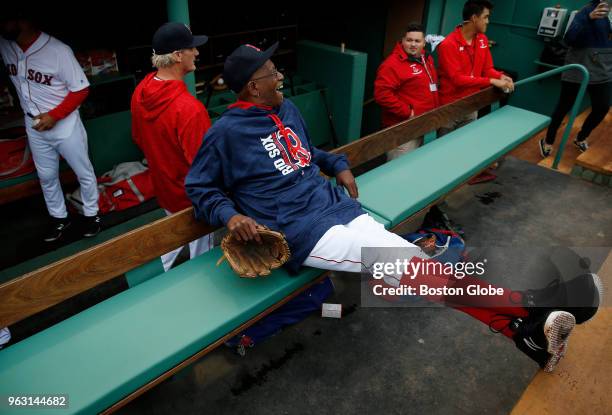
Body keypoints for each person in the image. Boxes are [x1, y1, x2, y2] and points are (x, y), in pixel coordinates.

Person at [185, 43, 601, 373]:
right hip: (302, 231)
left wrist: (339, 164)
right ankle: (529, 306)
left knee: (419, 267)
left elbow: (306, 153)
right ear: (253, 88)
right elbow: (199, 187)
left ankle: (528, 334)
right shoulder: (226, 133)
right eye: (271, 73)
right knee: (414, 267)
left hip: (335, 207)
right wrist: (230, 215)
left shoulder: (285, 108)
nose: (279, 76)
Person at [0, 10, 100, 241]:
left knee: (83, 171)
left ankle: (92, 215)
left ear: (23, 20)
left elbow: (81, 89)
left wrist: (55, 115)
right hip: (32, 122)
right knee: (46, 176)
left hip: (64, 124)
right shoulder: (6, 46)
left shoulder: (58, 51)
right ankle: (60, 219)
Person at [131, 22, 213, 272]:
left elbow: (138, 138)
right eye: (192, 48)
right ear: (178, 55)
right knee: (203, 258)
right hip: (192, 199)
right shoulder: (189, 108)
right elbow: (205, 168)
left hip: (164, 189)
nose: (196, 53)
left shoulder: (141, 90)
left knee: (170, 243)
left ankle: (154, 280)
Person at [539, 0, 611, 157]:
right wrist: (589, 18)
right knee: (564, 106)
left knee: (602, 107)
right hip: (579, 68)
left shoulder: (609, 16)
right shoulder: (585, 12)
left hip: (602, 69)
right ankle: (548, 140)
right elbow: (569, 38)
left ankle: (581, 137)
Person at [436, 0, 514, 135]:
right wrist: (492, 81)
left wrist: (501, 76)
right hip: (450, 108)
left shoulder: (483, 39)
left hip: (472, 105)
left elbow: (487, 69)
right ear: (474, 18)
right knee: (445, 150)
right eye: (485, 17)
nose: (488, 21)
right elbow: (457, 79)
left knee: (465, 146)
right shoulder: (448, 44)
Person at [374, 23, 440, 159]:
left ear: (423, 43)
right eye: (409, 40)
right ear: (402, 41)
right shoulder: (391, 64)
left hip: (425, 124)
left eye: (417, 41)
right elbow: (382, 95)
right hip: (403, 129)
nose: (413, 44)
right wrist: (408, 112)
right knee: (398, 171)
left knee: (418, 165)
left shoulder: (427, 59)